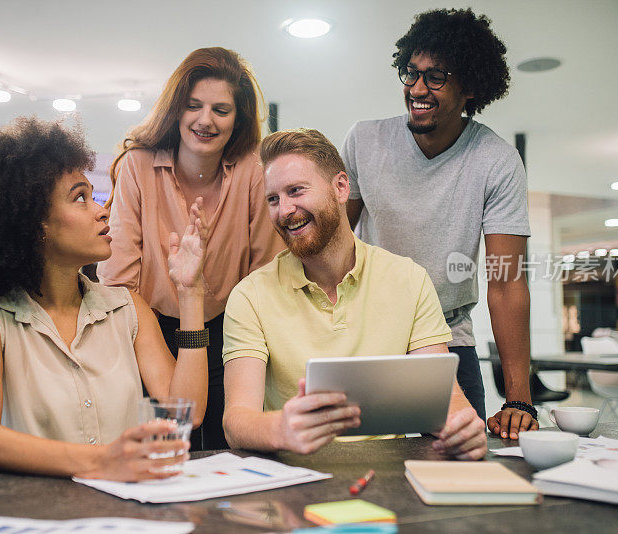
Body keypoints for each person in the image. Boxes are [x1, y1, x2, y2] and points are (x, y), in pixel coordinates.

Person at [0, 117, 210, 481]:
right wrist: (102, 462)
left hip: (126, 509)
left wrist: (191, 291)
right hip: (36, 514)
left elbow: (189, 413)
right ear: (35, 223)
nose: (102, 209)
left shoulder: (129, 308)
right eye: (80, 198)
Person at [222, 129, 486, 459]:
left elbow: (444, 400)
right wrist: (279, 428)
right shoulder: (250, 296)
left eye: (296, 191)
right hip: (293, 483)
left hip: (391, 480)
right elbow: (236, 422)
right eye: (273, 199)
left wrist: (463, 426)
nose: (284, 210)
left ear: (341, 188)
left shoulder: (409, 280)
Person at [342, 8, 537, 440]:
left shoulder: (496, 161)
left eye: (435, 77)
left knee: (464, 469)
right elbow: (335, 246)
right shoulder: (364, 141)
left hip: (449, 340)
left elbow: (506, 282)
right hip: (371, 336)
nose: (417, 89)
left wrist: (519, 397)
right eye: (411, 74)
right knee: (358, 467)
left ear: (469, 86)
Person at [97, 47, 285, 451]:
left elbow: (265, 274)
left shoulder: (254, 169)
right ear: (175, 109)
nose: (205, 120)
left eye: (221, 109)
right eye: (193, 105)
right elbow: (117, 280)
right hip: (147, 330)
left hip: (228, 332)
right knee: (158, 453)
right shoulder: (138, 164)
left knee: (222, 450)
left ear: (238, 119)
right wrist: (163, 335)